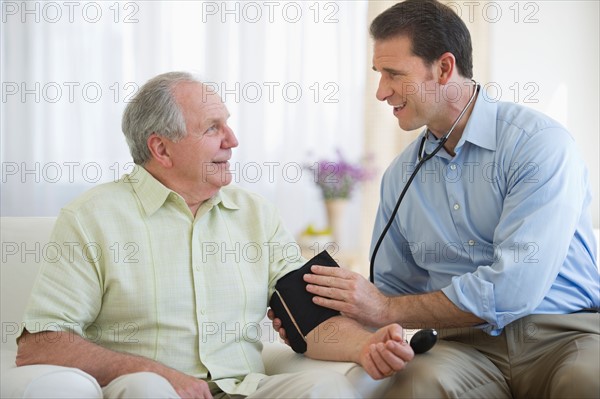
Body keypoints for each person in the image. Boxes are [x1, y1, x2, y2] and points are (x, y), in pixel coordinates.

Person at [13, 71, 415, 399]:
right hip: (146, 388)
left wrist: (365, 345)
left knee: (329, 392)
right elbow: (41, 343)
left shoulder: (255, 213)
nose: (232, 141)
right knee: (147, 390)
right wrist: (155, 372)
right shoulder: (91, 218)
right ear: (161, 149)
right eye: (212, 128)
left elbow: (309, 320)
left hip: (247, 387)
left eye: (228, 124)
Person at [274, 1, 600, 398]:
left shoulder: (539, 145)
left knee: (589, 380)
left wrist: (385, 309)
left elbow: (513, 289)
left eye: (393, 74)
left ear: (444, 68)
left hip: (563, 334)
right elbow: (390, 294)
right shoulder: (400, 176)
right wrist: (325, 320)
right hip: (463, 347)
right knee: (415, 386)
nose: (381, 91)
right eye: (378, 74)